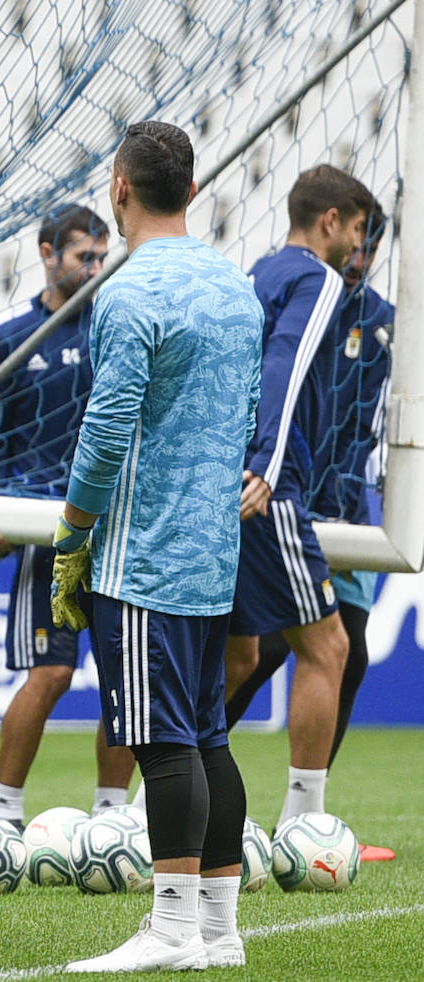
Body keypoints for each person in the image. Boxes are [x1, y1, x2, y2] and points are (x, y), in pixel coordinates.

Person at [51, 121, 263, 973]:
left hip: (142, 554)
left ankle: (172, 930)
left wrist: (73, 533)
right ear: (195, 191)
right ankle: (221, 931)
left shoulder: (130, 291)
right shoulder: (236, 288)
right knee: (207, 736)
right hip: (212, 555)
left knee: (162, 742)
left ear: (119, 188)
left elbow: (106, 431)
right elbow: (245, 419)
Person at [225, 203, 395, 860]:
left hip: (341, 500)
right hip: (278, 486)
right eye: (358, 237)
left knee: (343, 645)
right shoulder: (300, 283)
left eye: (373, 245)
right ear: (333, 225)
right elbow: (281, 374)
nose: (363, 253)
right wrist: (268, 461)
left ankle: (306, 813)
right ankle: (300, 823)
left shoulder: (380, 319)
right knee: (278, 651)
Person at [0, 204, 135, 825]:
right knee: (52, 673)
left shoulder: (116, 331)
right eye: (82, 257)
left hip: (119, 528)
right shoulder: (8, 339)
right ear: (47, 253)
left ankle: (111, 815)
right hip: (46, 532)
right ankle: (3, 812)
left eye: (101, 257)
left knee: (125, 679)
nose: (94, 268)